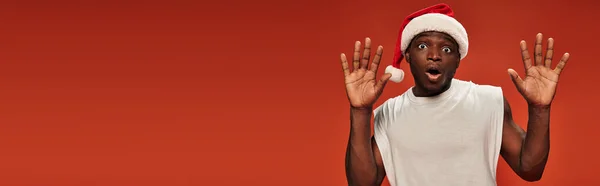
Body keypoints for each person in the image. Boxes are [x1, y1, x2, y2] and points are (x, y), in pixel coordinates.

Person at [340, 3, 570, 186]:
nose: (434, 55)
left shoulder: (489, 101)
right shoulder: (389, 113)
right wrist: (360, 111)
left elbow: (530, 170)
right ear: (407, 55)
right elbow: (362, 183)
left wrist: (540, 109)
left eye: (447, 49)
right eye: (422, 46)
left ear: (458, 59)